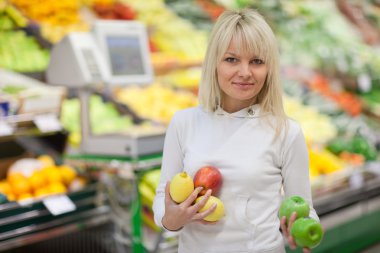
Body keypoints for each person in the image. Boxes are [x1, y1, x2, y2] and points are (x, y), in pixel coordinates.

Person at [153, 8, 320, 253]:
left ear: (269, 68)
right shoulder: (184, 123)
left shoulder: (286, 131)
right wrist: (172, 220)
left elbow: (305, 207)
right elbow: (162, 200)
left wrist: (304, 228)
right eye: (232, 59)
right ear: (215, 64)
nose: (245, 72)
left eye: (257, 61)